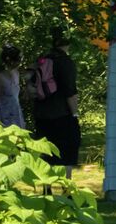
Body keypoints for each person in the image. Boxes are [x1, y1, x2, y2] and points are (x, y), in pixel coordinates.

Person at [32, 30, 80, 170]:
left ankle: (47, 187)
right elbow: (69, 91)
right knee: (67, 151)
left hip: (41, 113)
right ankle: (67, 187)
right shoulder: (66, 62)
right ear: (67, 44)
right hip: (61, 114)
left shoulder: (41, 60)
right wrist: (75, 114)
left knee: (46, 150)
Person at [0, 43, 28, 129]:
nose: (19, 62)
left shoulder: (16, 74)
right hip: (3, 117)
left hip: (16, 114)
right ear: (9, 60)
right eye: (18, 59)